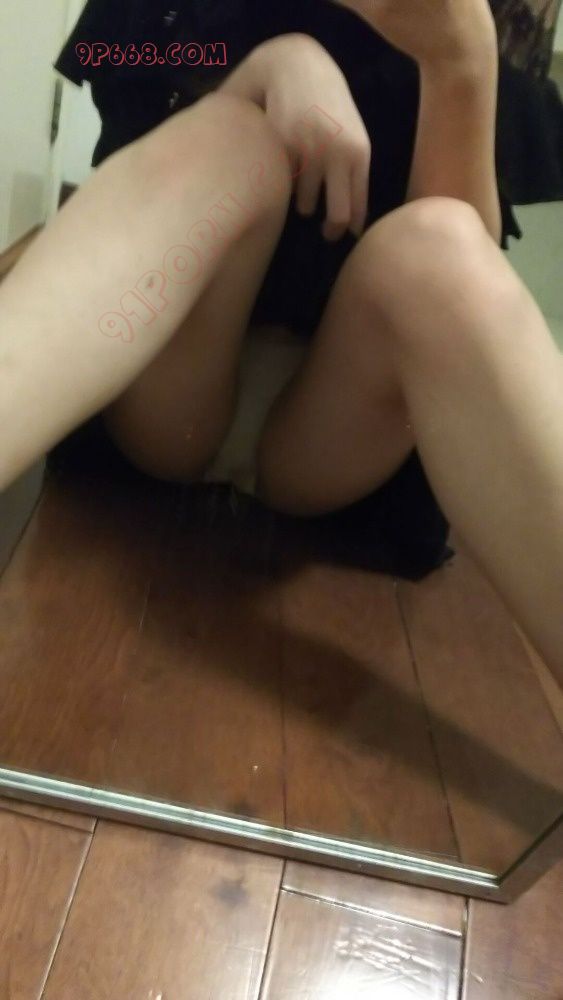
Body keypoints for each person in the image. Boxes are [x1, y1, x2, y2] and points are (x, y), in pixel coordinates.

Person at [1, 0, 562, 685]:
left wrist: (460, 62)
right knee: (229, 140)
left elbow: (453, 306)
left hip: (342, 425)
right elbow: (118, 65)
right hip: (167, 365)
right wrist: (261, 69)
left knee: (443, 243)